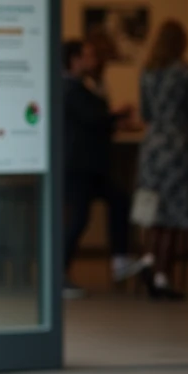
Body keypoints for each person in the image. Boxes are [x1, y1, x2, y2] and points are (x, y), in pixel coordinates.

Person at [62, 39, 146, 298]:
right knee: (79, 218)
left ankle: (119, 260)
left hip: (90, 166)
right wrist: (116, 114)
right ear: (74, 59)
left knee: (119, 199)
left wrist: (114, 120)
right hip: (78, 165)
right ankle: (58, 274)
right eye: (86, 55)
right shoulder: (70, 88)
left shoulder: (84, 85)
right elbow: (91, 118)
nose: (92, 60)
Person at [136, 20, 188, 301]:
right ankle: (162, 275)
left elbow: (145, 113)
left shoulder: (147, 72)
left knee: (153, 211)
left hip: (152, 146)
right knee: (173, 214)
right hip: (176, 146)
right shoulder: (186, 73)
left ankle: (149, 259)